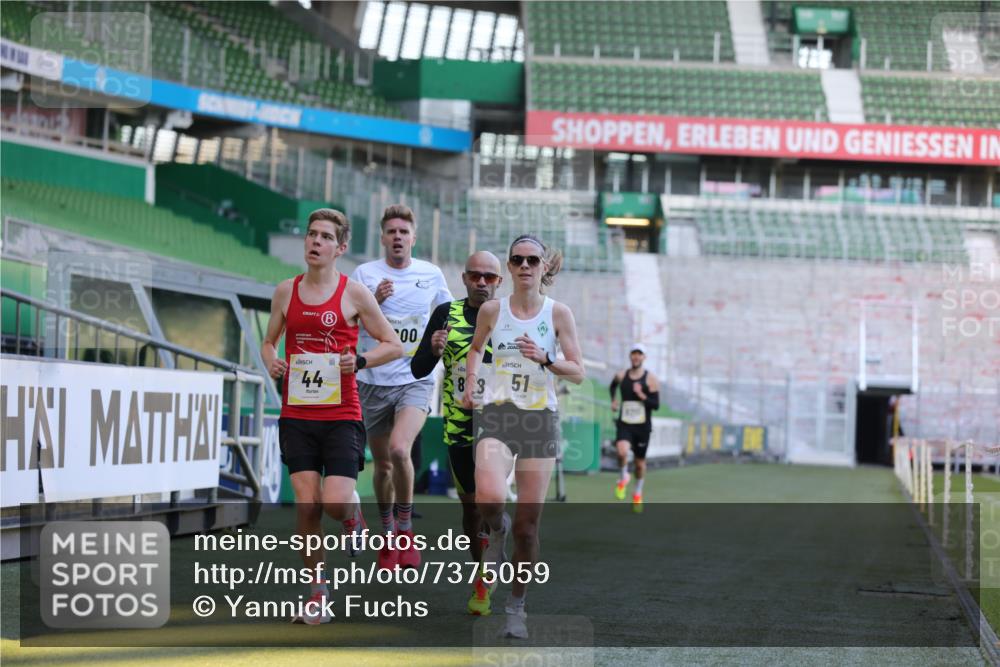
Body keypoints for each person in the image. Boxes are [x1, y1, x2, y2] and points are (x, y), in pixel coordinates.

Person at [261, 208, 403, 624]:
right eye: (311, 235)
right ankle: (317, 594)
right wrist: (271, 360)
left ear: (340, 248)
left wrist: (357, 361)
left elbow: (391, 345)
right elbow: (269, 342)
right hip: (296, 414)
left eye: (325, 237)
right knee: (307, 506)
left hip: (341, 413)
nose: (315, 242)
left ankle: (353, 515)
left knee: (334, 500)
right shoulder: (285, 291)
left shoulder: (354, 293)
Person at [462, 234, 584, 638]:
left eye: (533, 260)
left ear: (544, 267)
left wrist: (546, 358)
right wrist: (471, 382)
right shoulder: (492, 311)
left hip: (538, 420)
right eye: (518, 260)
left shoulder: (559, 314)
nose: (526, 266)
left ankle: (516, 607)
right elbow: (476, 349)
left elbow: (578, 371)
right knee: (489, 498)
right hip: (497, 414)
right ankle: (495, 530)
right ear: (509, 267)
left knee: (528, 529)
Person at [351, 204, 453, 570]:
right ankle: (387, 532)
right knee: (381, 466)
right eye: (391, 231)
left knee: (399, 449)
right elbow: (348, 320)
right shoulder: (364, 274)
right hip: (373, 381)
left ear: (413, 238)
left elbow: (448, 317)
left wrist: (440, 343)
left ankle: (406, 530)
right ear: (382, 237)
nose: (397, 237)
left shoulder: (431, 274)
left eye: (403, 231)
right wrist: (372, 302)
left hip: (415, 377)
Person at [411, 250, 503, 615]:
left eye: (490, 277)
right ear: (464, 279)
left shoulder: (509, 316)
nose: (482, 282)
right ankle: (483, 572)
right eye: (475, 276)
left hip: (500, 424)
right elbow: (418, 368)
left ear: (499, 281)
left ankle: (493, 561)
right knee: (470, 508)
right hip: (458, 422)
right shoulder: (445, 315)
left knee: (490, 501)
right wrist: (433, 350)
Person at [610, 344, 660, 513]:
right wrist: (613, 400)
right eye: (633, 354)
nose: (636, 357)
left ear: (644, 357)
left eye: (639, 354)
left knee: (639, 464)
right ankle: (623, 476)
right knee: (621, 452)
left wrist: (642, 396)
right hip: (625, 423)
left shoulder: (650, 379)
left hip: (642, 427)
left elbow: (656, 405)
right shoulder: (622, 375)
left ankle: (637, 492)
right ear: (630, 356)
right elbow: (612, 386)